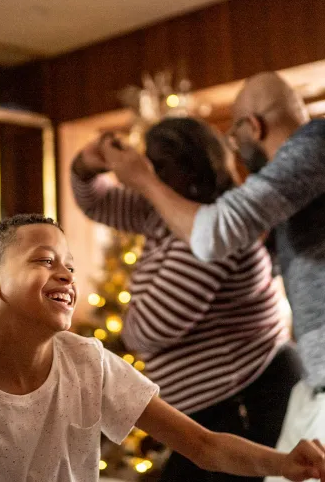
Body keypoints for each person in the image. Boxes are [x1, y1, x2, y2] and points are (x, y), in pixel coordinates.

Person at [0, 213, 325, 482]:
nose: (67, 275)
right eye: (44, 260)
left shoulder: (88, 362)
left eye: (69, 266)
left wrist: (283, 463)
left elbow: (203, 445)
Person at [93, 72, 325, 482]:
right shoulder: (169, 221)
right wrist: (93, 163)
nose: (234, 144)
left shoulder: (314, 145)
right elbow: (96, 201)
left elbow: (211, 238)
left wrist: (143, 181)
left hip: (243, 405)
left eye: (235, 130)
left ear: (253, 126)